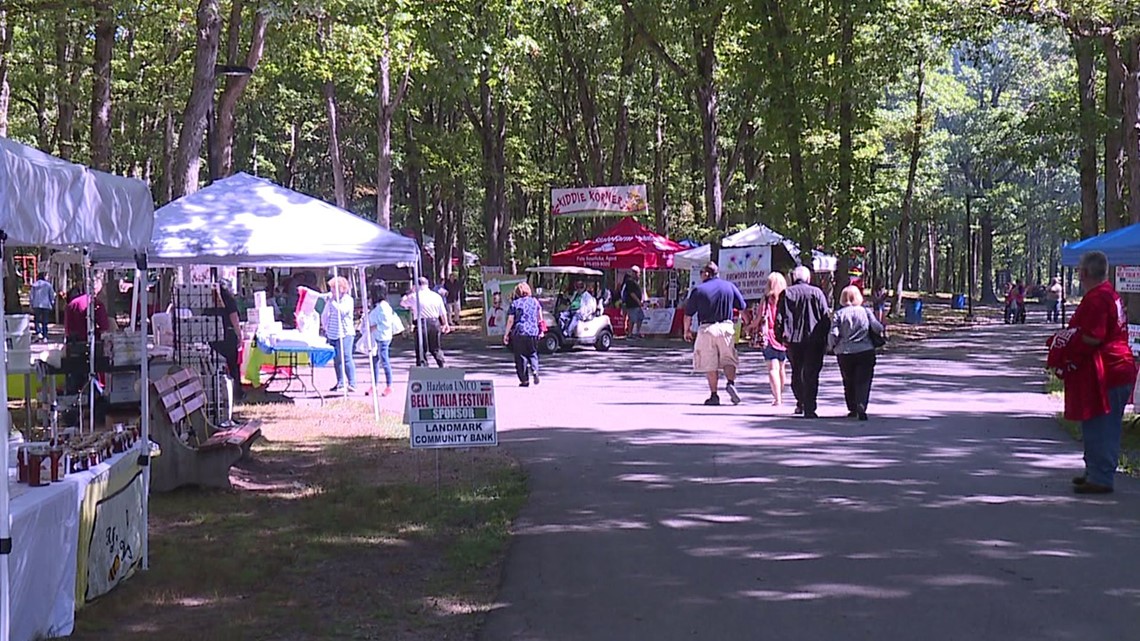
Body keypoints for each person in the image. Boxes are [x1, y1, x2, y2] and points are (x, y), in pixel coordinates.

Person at [1047, 251, 1138, 495]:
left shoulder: (1097, 299)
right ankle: (1095, 470)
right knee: (1094, 422)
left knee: (1102, 424)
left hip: (1108, 370)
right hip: (1115, 367)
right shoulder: (1110, 294)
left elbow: (1092, 337)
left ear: (1084, 273)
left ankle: (1101, 477)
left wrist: (1067, 348)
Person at [683, 261, 746, 406]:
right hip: (726, 328)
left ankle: (714, 395)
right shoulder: (729, 286)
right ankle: (730, 383)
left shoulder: (699, 290)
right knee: (729, 359)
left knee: (710, 363)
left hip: (707, 329)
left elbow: (688, 314)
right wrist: (749, 325)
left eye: (701, 273)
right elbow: (742, 307)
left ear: (706, 273)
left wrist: (686, 331)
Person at [776, 265, 831, 418]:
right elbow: (825, 317)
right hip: (815, 340)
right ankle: (809, 406)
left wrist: (780, 336)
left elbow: (779, 318)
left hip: (793, 340)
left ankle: (801, 401)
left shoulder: (786, 293)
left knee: (796, 370)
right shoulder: (817, 293)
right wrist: (826, 337)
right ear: (808, 278)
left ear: (794, 278)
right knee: (811, 373)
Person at [829, 286, 883, 421]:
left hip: (844, 352)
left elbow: (833, 334)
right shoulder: (866, 311)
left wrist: (832, 346)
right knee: (864, 380)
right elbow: (877, 327)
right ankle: (861, 405)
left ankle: (852, 408)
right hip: (865, 350)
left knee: (848, 380)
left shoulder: (839, 314)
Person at [503, 281, 544, 387]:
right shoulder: (535, 302)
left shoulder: (515, 304)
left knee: (521, 356)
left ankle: (524, 380)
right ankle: (535, 370)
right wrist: (541, 330)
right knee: (533, 353)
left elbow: (511, 320)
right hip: (533, 332)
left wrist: (506, 334)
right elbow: (540, 318)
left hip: (519, 332)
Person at [757, 272, 789, 406]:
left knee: (772, 368)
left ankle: (777, 398)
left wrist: (750, 326)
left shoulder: (766, 299)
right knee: (782, 367)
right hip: (783, 336)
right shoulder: (787, 298)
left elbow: (760, 317)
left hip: (769, 336)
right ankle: (780, 392)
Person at [322, 276, 357, 392]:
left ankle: (352, 383)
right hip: (333, 332)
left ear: (342, 288)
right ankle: (340, 383)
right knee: (337, 359)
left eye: (334, 288)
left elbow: (341, 311)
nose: (331, 290)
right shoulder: (331, 300)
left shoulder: (348, 300)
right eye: (331, 288)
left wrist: (332, 302)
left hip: (346, 333)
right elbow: (325, 314)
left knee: (346, 357)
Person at [407, 276, 450, 367]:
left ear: (417, 285)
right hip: (435, 322)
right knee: (435, 347)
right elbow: (442, 312)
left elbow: (403, 303)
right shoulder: (436, 296)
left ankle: (423, 369)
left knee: (421, 349)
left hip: (421, 323)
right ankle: (442, 364)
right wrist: (445, 323)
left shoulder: (414, 296)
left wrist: (411, 292)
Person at [366, 281, 398, 397]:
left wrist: (372, 327)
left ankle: (389, 385)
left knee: (384, 360)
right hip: (376, 336)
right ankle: (374, 384)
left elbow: (386, 323)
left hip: (383, 336)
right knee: (374, 360)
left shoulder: (384, 307)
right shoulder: (377, 305)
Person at [29, 271, 55, 341]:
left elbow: (31, 296)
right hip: (46, 304)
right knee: (45, 321)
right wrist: (52, 303)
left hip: (36, 304)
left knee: (37, 320)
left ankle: (38, 332)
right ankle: (45, 335)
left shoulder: (34, 285)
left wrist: (31, 304)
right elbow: (52, 295)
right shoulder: (48, 285)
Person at [620, 266, 645, 338]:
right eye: (638, 273)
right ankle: (630, 334)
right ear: (634, 273)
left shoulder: (635, 282)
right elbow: (632, 293)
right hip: (632, 304)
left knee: (640, 317)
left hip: (637, 305)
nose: (639, 275)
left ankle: (637, 332)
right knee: (632, 319)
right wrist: (638, 301)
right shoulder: (629, 282)